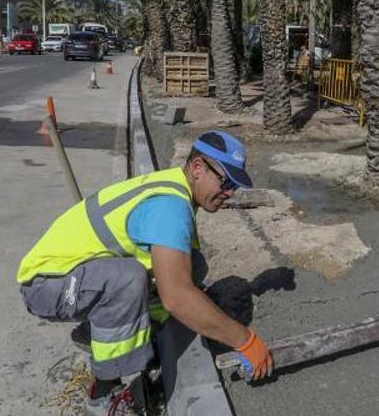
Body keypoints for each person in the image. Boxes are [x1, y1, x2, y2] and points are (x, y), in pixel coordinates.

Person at [16, 131, 273, 411]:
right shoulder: (170, 207)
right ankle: (104, 391)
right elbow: (176, 297)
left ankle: (106, 331)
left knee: (192, 263)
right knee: (128, 279)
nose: (230, 192)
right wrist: (245, 341)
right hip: (46, 285)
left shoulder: (175, 186)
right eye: (225, 181)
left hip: (79, 276)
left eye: (235, 185)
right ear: (198, 168)